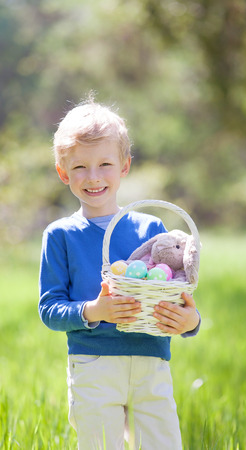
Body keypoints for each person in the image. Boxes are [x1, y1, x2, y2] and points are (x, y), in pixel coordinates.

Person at [39, 96, 201, 450]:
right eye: (80, 167)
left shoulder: (152, 228)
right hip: (94, 365)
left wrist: (190, 323)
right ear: (63, 172)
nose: (93, 177)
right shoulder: (61, 235)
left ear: (125, 166)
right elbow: (49, 308)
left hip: (151, 362)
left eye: (105, 164)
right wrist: (93, 311)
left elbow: (175, 290)